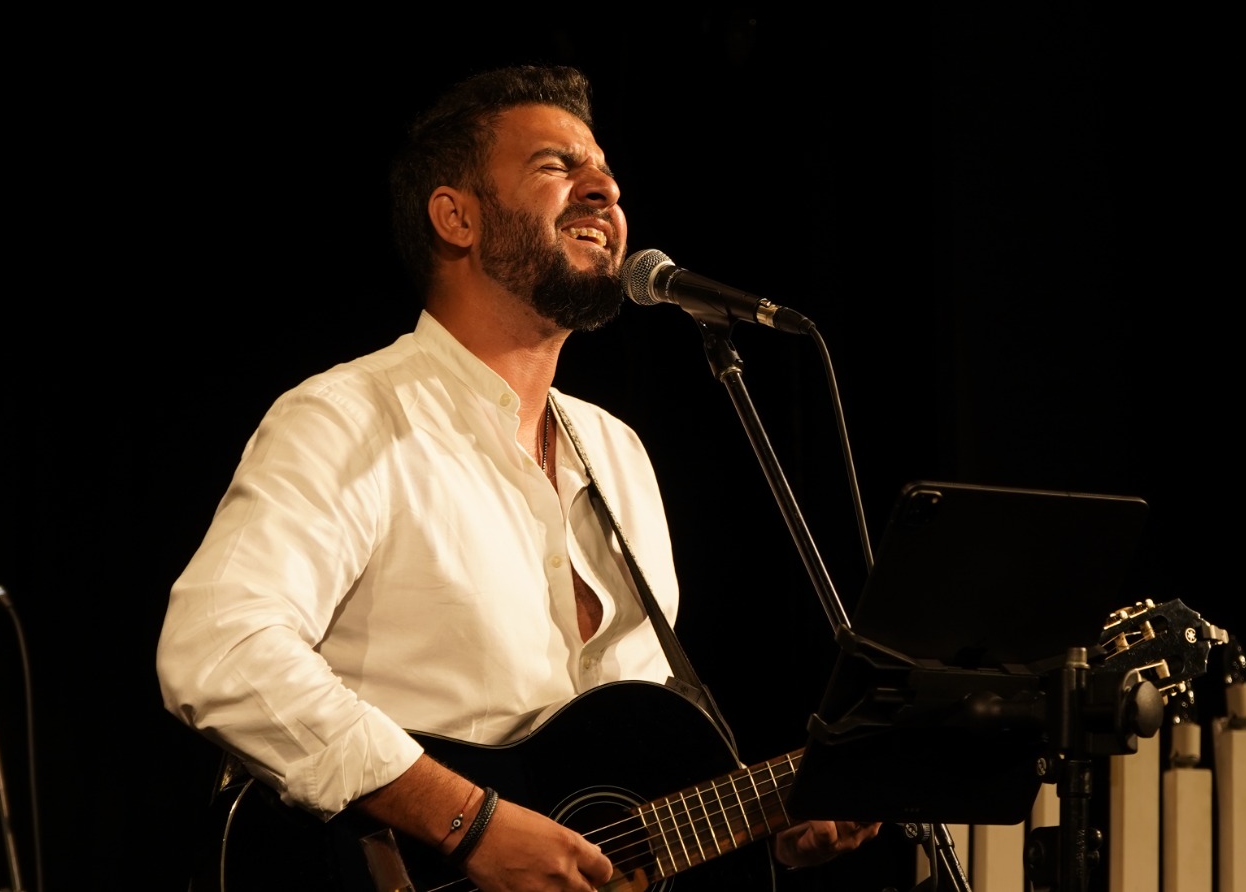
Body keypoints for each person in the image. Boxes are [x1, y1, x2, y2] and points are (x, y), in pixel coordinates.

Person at [155, 64, 880, 892]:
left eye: (604, 170)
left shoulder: (617, 453)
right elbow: (219, 651)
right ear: (456, 217)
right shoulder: (350, 417)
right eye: (556, 166)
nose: (604, 189)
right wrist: (468, 824)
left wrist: (767, 827)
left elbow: (619, 793)